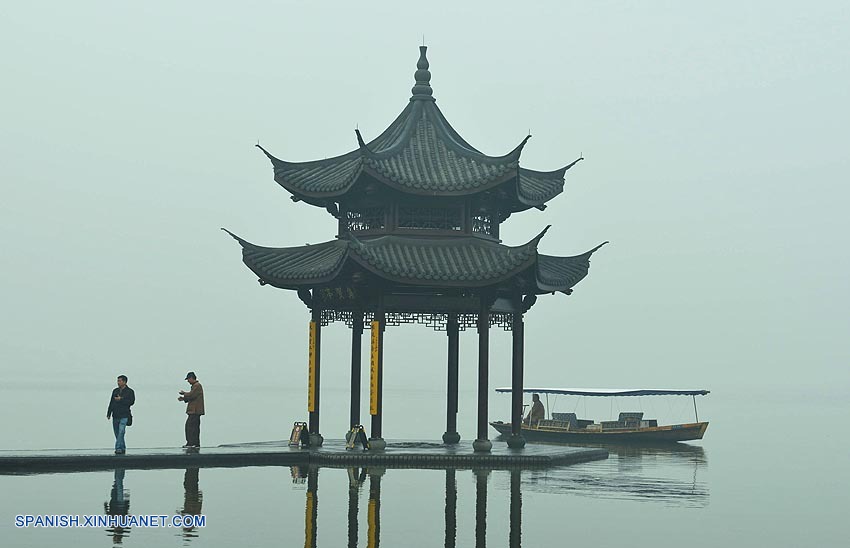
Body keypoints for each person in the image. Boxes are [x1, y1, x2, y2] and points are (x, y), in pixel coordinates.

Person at [106, 375, 135, 455]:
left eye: (120, 381)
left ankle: (118, 448)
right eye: (118, 381)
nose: (118, 382)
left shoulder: (130, 391)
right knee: (117, 433)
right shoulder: (115, 391)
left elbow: (131, 402)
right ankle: (122, 448)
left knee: (121, 431)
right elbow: (111, 402)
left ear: (124, 382)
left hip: (125, 415)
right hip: (115, 415)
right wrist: (109, 412)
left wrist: (121, 399)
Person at [178, 372, 205, 448]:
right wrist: (184, 398)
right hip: (194, 411)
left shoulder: (197, 386)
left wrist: (184, 394)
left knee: (190, 427)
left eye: (188, 379)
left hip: (195, 411)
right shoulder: (195, 386)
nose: (188, 381)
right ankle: (193, 443)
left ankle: (192, 443)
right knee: (193, 427)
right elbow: (192, 396)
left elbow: (192, 395)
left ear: (191, 378)